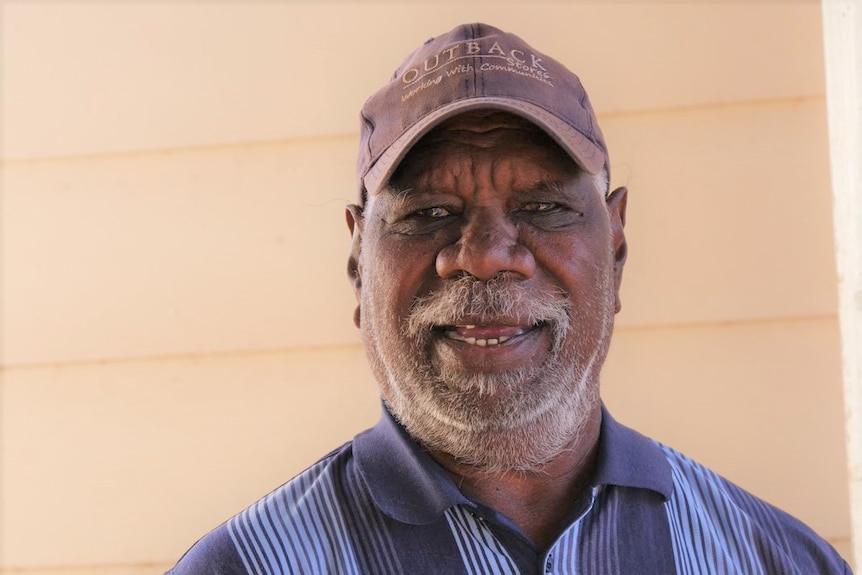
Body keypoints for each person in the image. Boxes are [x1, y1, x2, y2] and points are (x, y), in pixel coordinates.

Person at [167, 23, 852, 574]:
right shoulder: (243, 566)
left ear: (616, 248)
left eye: (546, 206)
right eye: (429, 212)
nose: (488, 253)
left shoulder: (777, 559)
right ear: (357, 261)